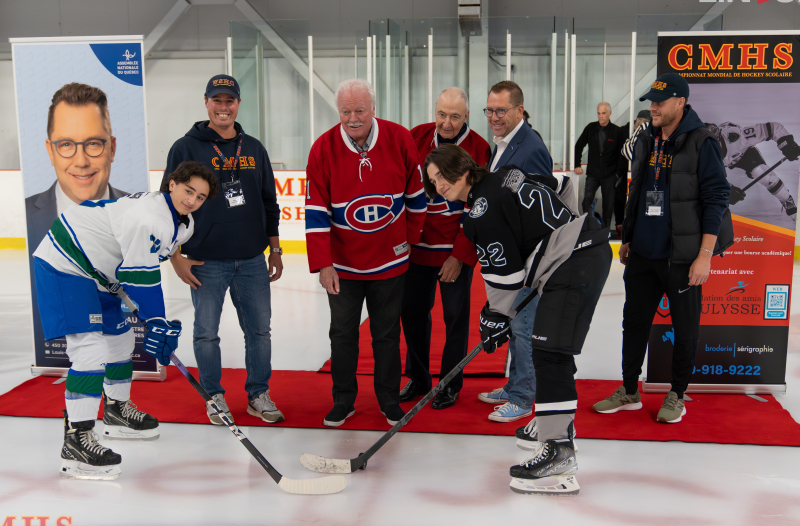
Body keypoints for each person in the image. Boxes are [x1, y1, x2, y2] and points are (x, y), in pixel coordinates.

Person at [424, 144, 611, 496]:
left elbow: (506, 276)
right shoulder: (505, 175)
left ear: (463, 168)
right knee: (549, 350)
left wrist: (495, 315)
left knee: (550, 353)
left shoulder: (479, 210)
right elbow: (563, 185)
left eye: (443, 175)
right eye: (433, 181)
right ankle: (553, 426)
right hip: (585, 248)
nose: (439, 185)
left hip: (574, 263)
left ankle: (559, 454)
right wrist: (563, 230)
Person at [32, 161, 217, 480]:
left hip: (102, 275)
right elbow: (140, 277)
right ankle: (77, 439)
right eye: (189, 191)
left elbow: (139, 269)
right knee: (89, 350)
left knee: (120, 341)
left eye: (200, 197)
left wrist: (153, 320)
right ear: (171, 184)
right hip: (66, 263)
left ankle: (116, 411)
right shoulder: (149, 216)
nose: (192, 200)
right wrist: (157, 321)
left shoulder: (183, 224)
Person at [593, 73, 733, 424]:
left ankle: (677, 394)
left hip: (683, 256)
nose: (652, 107)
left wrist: (704, 255)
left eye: (660, 101)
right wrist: (628, 238)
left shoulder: (703, 142)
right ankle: (629, 390)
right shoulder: (646, 139)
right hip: (643, 252)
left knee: (685, 328)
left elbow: (716, 199)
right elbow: (637, 189)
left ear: (680, 103)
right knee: (634, 323)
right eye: (651, 101)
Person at [162, 75, 284, 426]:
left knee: (260, 331)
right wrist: (175, 257)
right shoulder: (186, 148)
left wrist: (274, 249)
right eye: (217, 100)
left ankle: (258, 394)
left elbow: (268, 201)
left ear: (238, 105)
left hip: (251, 259)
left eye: (229, 100)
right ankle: (213, 397)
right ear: (206, 103)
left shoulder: (254, 148)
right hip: (205, 260)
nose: (223, 107)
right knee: (206, 333)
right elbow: (167, 207)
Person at [305, 78, 427, 427]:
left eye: (360, 110)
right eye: (346, 111)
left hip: (390, 262)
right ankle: (343, 400)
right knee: (342, 334)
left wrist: (410, 240)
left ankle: (389, 401)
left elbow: (416, 196)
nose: (353, 118)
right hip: (342, 266)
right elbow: (315, 211)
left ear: (374, 109)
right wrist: (323, 264)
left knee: (386, 334)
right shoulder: (323, 148)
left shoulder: (399, 138)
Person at [25, 83, 129, 364]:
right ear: (50, 151)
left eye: (93, 143)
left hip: (116, 312)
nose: (81, 161)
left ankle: (116, 406)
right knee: (88, 355)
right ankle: (79, 410)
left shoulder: (137, 211)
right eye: (66, 145)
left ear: (112, 148)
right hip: (70, 318)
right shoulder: (28, 216)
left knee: (121, 348)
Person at [400, 87, 491, 409]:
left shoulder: (479, 147)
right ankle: (418, 377)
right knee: (411, 314)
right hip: (417, 251)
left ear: (466, 116)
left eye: (455, 116)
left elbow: (478, 207)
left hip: (454, 252)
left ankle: (450, 383)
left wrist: (460, 255)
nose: (447, 123)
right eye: (441, 114)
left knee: (454, 317)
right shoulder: (415, 137)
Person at [479, 80, 553, 424]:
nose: (494, 117)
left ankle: (524, 398)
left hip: (529, 257)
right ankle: (514, 385)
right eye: (490, 110)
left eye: (501, 110)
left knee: (524, 328)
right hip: (513, 255)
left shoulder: (530, 148)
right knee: (515, 323)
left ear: (519, 111)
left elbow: (537, 211)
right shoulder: (504, 143)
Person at [705, 120, 800, 220]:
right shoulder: (700, 157)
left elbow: (773, 128)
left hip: (744, 153)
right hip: (724, 160)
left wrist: (787, 144)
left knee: (763, 174)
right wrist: (726, 191)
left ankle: (790, 206)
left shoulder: (737, 137)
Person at [574, 102, 626, 229]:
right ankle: (587, 224)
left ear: (609, 113)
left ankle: (606, 229)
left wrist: (617, 174)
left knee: (608, 205)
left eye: (603, 113)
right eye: (598, 113)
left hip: (610, 175)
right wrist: (577, 164)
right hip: (593, 173)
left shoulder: (617, 131)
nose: (601, 116)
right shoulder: (591, 128)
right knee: (587, 199)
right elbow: (579, 145)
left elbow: (622, 154)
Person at [617, 110, 653, 239]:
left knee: (636, 210)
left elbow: (625, 149)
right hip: (654, 179)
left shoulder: (644, 127)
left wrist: (640, 162)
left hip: (641, 178)